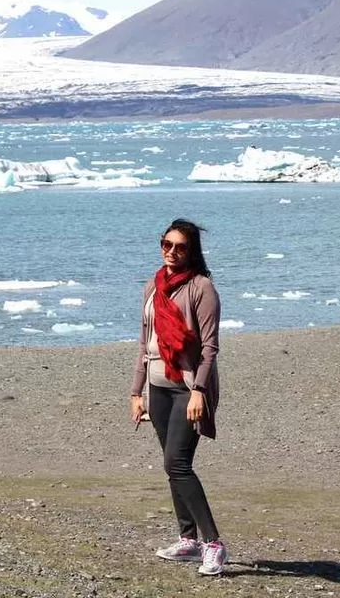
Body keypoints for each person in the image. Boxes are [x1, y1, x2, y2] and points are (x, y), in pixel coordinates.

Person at [130, 219, 228, 575]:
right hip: (157, 387)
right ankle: (188, 539)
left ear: (192, 252)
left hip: (187, 388)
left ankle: (214, 543)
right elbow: (144, 343)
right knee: (172, 466)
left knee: (178, 464)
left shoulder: (202, 289)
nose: (171, 252)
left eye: (180, 247)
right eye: (166, 244)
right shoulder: (153, 286)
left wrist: (199, 391)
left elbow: (210, 348)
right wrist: (136, 392)